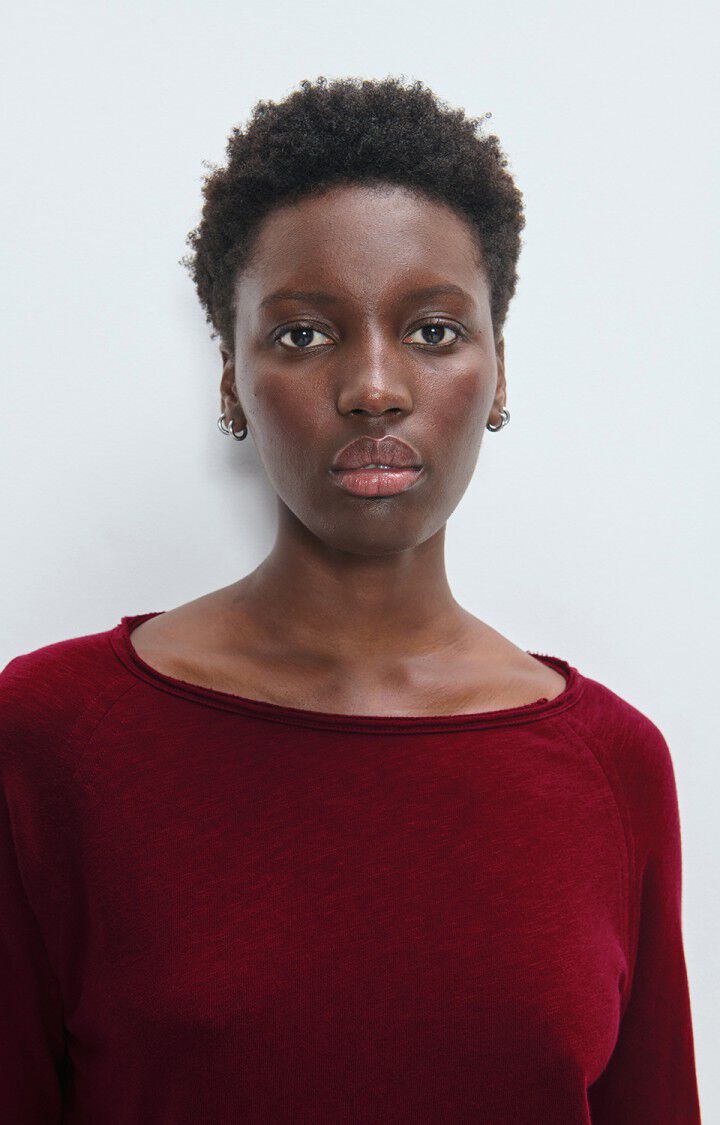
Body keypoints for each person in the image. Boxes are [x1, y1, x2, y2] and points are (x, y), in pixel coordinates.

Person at [0, 76, 701, 1122]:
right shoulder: (55, 738)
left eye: (433, 331)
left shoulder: (614, 768)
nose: (375, 387)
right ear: (231, 379)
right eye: (303, 335)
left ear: (499, 370)